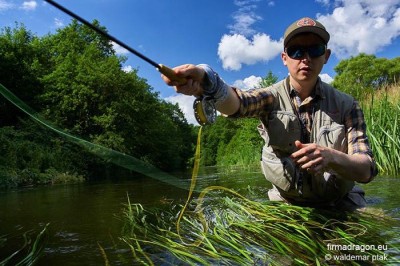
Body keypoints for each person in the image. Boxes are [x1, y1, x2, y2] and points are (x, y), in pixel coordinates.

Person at [161, 17, 377, 211]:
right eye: (296, 51)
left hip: (340, 202)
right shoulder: (270, 98)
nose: (306, 58)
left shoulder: (348, 105)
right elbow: (237, 104)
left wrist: (332, 157)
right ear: (285, 58)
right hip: (286, 203)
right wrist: (207, 81)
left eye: (315, 49)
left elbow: (366, 170)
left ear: (326, 56)